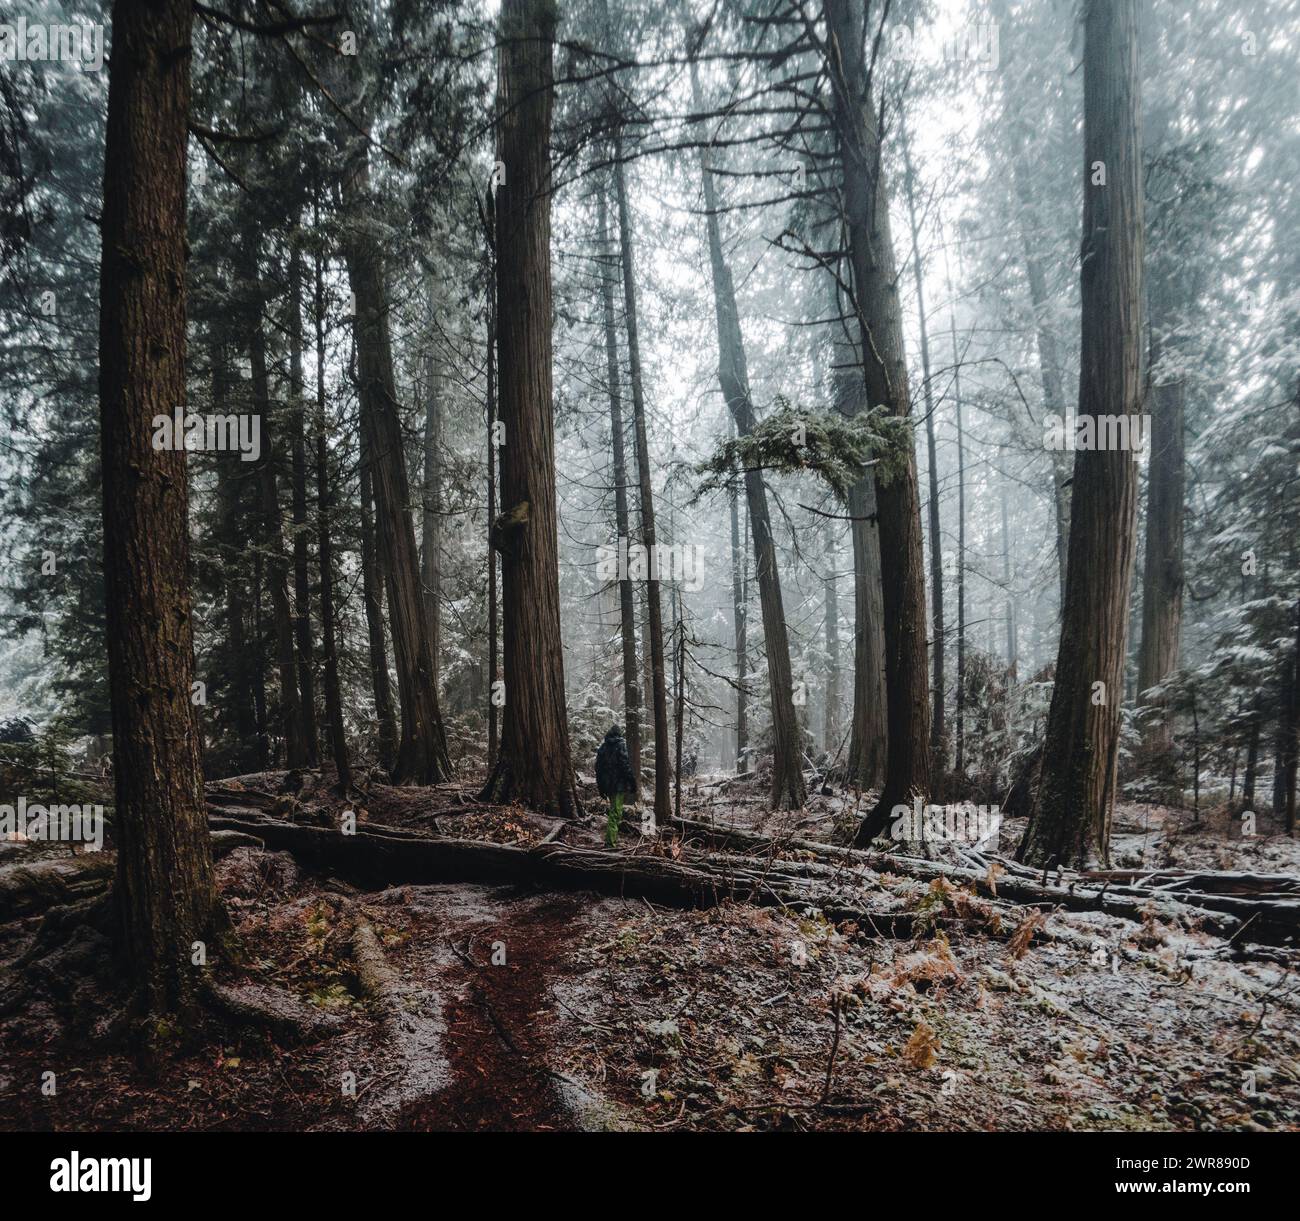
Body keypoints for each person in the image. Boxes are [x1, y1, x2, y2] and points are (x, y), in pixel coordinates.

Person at [595, 725, 637, 847]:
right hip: (618, 785)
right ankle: (610, 842)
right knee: (616, 812)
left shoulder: (603, 747)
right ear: (619, 734)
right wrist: (632, 781)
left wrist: (601, 787)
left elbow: (598, 769)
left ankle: (611, 839)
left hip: (608, 786)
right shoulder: (621, 745)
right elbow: (625, 765)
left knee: (614, 811)